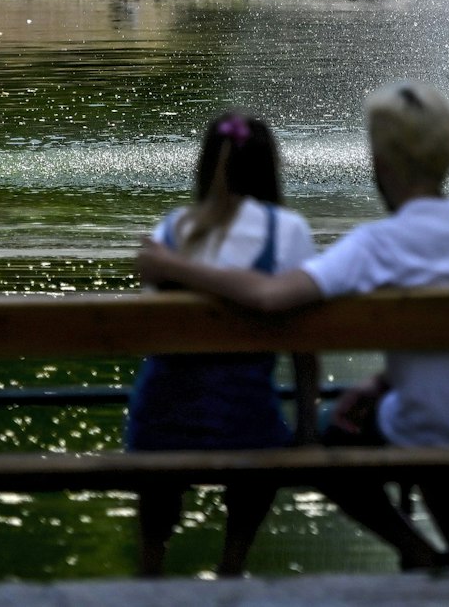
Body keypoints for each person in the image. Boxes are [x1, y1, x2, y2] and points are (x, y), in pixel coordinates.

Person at [136, 81, 449, 569]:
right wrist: (381, 383)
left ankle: (422, 552)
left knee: (341, 434)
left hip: (434, 424)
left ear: (379, 164)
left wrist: (176, 267)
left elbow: (271, 296)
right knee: (423, 411)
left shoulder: (378, 243)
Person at [126, 112, 318, 578]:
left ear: (205, 164)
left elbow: (152, 329)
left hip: (161, 422)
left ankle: (152, 566)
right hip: (243, 417)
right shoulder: (285, 230)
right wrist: (306, 426)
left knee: (166, 400)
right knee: (265, 428)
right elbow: (305, 346)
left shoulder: (171, 231)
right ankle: (232, 563)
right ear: (270, 166)